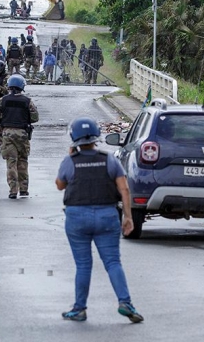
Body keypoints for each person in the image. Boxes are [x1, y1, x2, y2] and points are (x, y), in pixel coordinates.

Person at [55, 117, 144, 324]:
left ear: (73, 138)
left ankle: (79, 309)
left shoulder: (70, 161)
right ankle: (125, 303)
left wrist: (71, 157)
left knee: (83, 265)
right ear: (96, 138)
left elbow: (60, 185)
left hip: (77, 217)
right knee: (113, 262)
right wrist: (128, 217)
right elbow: (124, 189)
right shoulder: (109, 159)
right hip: (106, 216)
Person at [0, 74, 39, 198]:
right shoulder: (27, 101)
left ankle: (13, 191)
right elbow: (35, 118)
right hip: (22, 134)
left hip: (7, 134)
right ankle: (24, 189)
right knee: (23, 161)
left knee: (11, 163)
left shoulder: (3, 100)